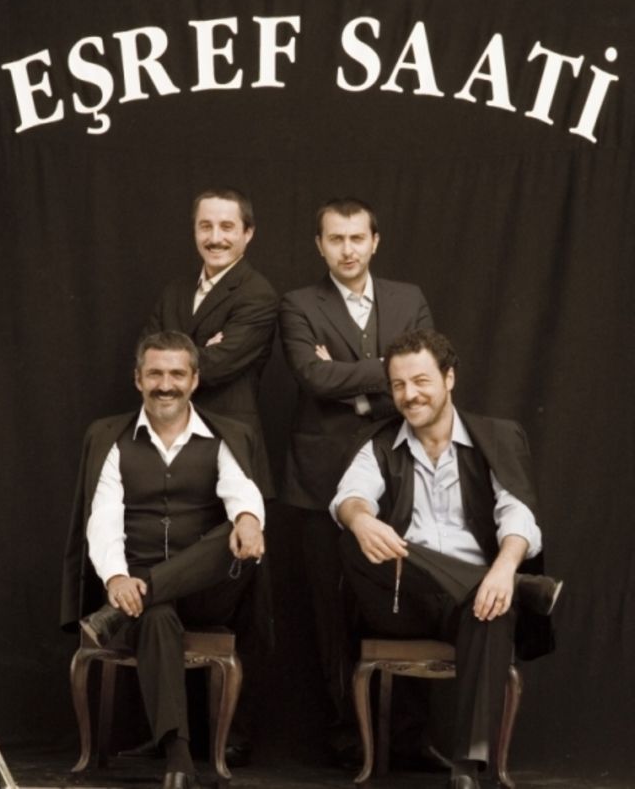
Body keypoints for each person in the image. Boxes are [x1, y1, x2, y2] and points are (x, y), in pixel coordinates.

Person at [331, 328, 562, 789]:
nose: (409, 395)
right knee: (352, 537)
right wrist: (360, 519)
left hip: (471, 602)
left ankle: (466, 769)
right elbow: (349, 496)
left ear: (449, 378)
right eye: (398, 385)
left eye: (421, 381)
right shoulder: (379, 443)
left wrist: (504, 569)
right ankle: (521, 589)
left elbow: (518, 514)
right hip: (403, 599)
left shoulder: (495, 437)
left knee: (493, 605)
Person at [60, 332, 268, 789]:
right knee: (154, 614)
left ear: (194, 380)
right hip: (136, 594)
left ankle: (139, 597)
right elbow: (103, 518)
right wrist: (117, 578)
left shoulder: (223, 437)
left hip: (207, 592)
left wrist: (249, 521)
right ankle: (178, 757)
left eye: (177, 374)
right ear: (138, 379)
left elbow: (242, 491)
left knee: (231, 530)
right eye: (155, 373)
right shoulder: (112, 440)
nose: (165, 384)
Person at [278, 197, 433, 755]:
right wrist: (387, 375)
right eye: (336, 239)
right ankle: (349, 737)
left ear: (375, 241)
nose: (348, 249)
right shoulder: (298, 303)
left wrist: (353, 384)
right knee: (331, 609)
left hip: (398, 471)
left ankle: (408, 740)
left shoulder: (408, 298)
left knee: (401, 601)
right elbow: (312, 376)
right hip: (320, 478)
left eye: (357, 238)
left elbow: (425, 372)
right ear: (320, 246)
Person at [142, 187, 278, 498]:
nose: (215, 238)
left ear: (248, 233)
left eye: (227, 227)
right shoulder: (174, 291)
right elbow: (145, 359)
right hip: (165, 440)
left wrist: (174, 352)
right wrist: (201, 348)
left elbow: (216, 366)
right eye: (206, 226)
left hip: (227, 442)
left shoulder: (258, 294)